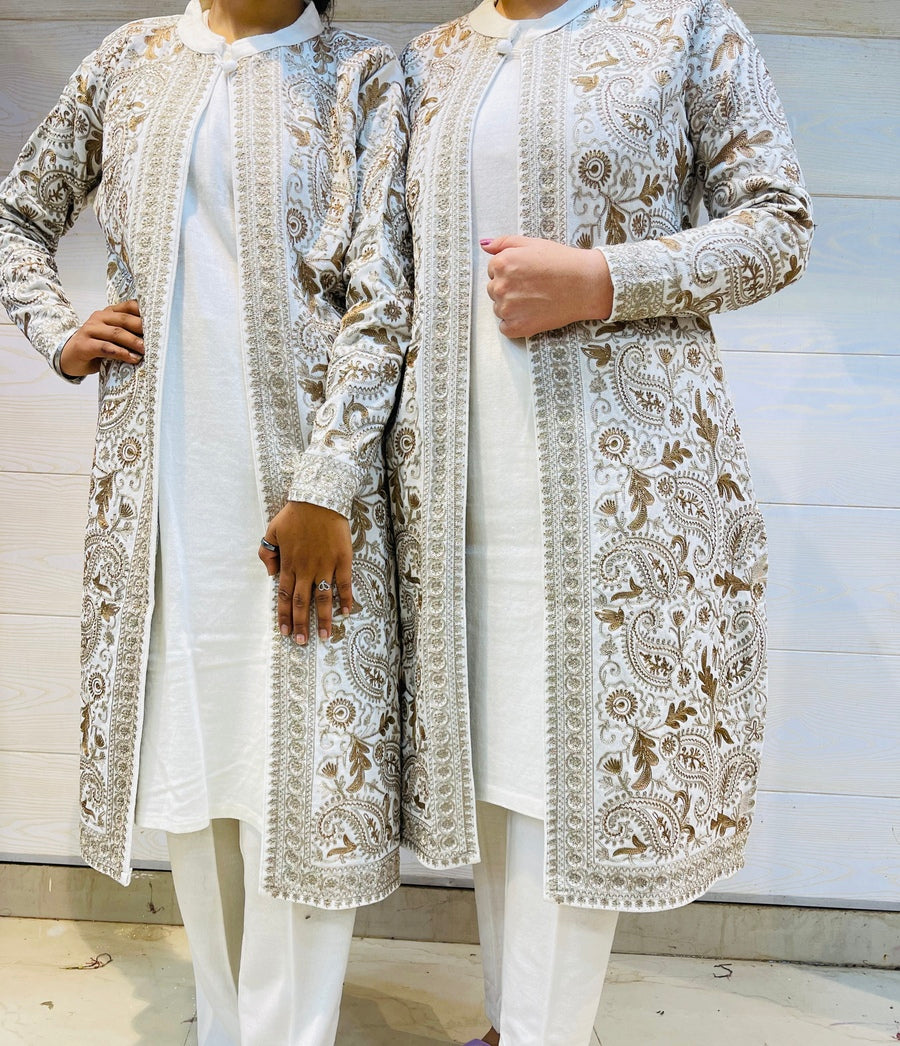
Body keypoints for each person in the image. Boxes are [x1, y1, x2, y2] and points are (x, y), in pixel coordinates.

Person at [387, 0, 813, 1043]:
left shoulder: (682, 26)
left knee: (572, 770)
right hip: (453, 486)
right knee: (500, 765)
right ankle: (511, 1025)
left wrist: (602, 279)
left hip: (618, 483)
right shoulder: (429, 58)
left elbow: (779, 223)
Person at [0, 0, 411, 1041]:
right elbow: (17, 215)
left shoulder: (358, 73)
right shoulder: (130, 59)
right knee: (201, 755)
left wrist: (326, 483)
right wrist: (57, 329)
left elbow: (384, 298)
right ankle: (226, 1025)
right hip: (163, 489)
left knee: (299, 773)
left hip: (304, 492)